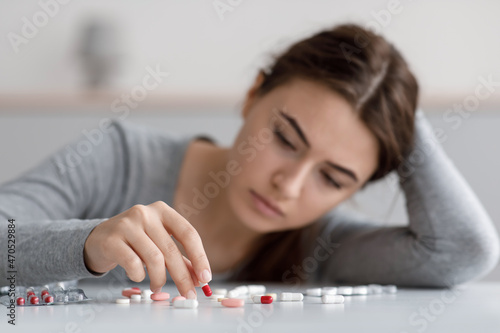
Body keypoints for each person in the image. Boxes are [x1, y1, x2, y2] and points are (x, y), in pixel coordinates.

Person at [1, 24, 498, 300]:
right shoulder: (118, 159)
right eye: (285, 138)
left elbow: (464, 251)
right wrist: (86, 243)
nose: (289, 184)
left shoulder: (324, 244)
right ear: (253, 94)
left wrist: (397, 104)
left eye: (333, 177)